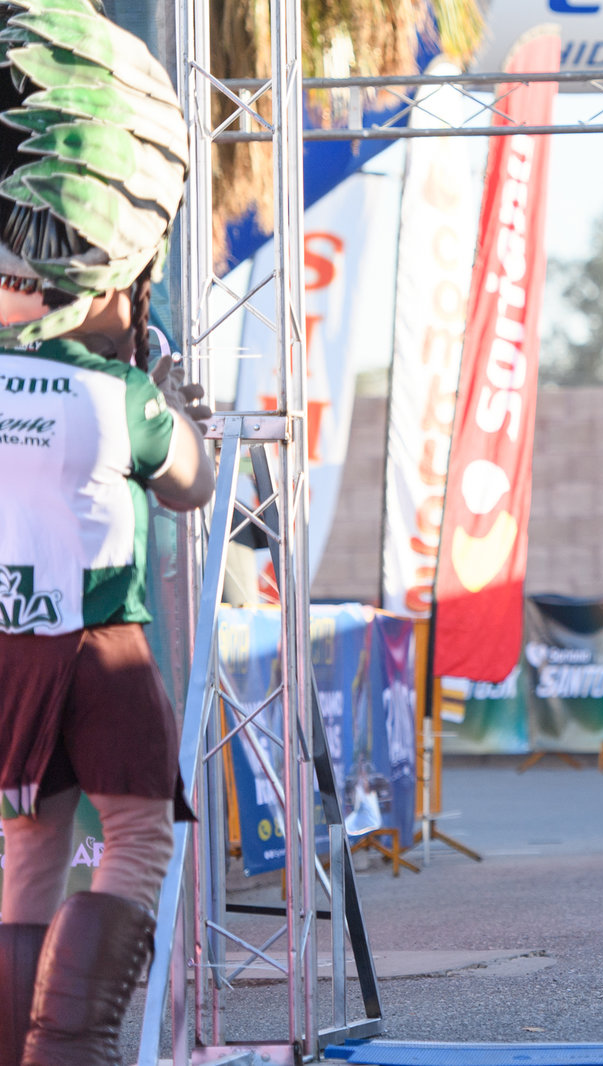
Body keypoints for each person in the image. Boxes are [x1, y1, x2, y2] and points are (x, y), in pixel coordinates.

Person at [0, 3, 205, 1063]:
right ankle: (71, 1051)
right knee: (133, 838)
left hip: (8, 651)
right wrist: (171, 397)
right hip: (103, 645)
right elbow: (192, 487)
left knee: (29, 846)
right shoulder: (118, 392)